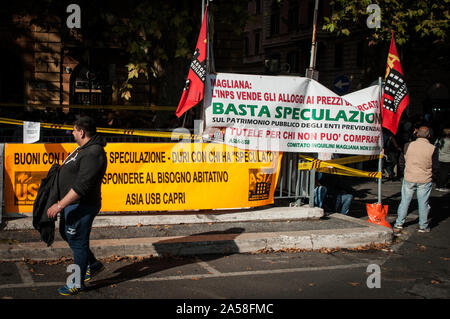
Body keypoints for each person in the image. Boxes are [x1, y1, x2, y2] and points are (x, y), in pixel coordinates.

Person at [47, 116, 107, 295]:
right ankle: (94, 264)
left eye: (74, 130)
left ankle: (76, 282)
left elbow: (82, 186)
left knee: (78, 242)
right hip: (73, 204)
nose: (72, 133)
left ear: (81, 132)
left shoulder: (93, 153)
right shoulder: (83, 149)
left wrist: (59, 205)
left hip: (83, 205)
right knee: (68, 234)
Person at [394, 126, 439, 233]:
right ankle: (423, 226)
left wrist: (404, 172)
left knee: (405, 201)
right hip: (425, 178)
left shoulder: (407, 146)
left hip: (409, 176)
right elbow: (436, 166)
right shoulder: (432, 148)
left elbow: (401, 162)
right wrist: (433, 177)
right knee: (423, 203)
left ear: (417, 134)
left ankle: (399, 223)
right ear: (429, 135)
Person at [435, 127, 450, 191]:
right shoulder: (449, 141)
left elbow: (435, 146)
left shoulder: (439, 140)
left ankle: (438, 185)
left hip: (439, 157)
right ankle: (441, 186)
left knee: (440, 172)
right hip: (447, 159)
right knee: (444, 173)